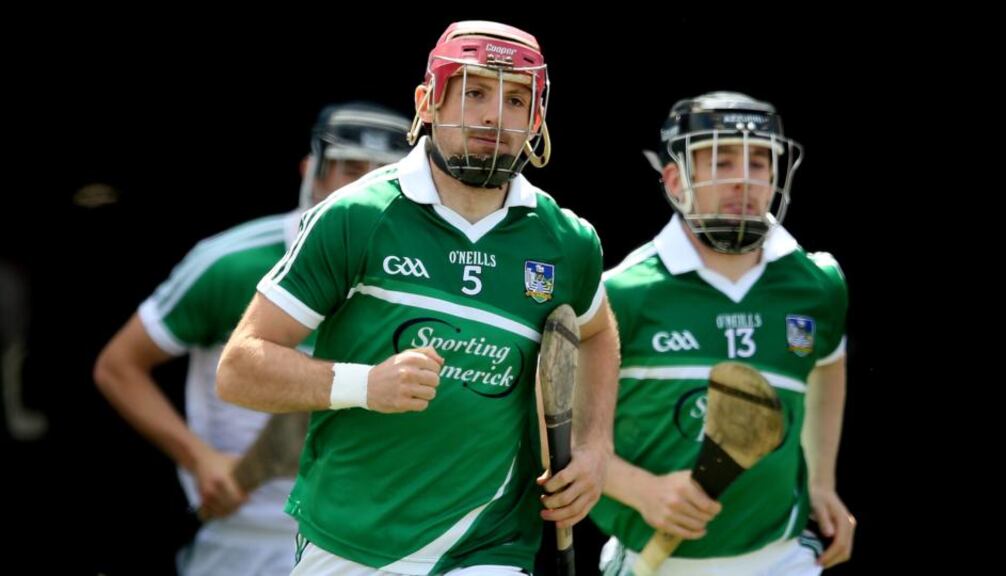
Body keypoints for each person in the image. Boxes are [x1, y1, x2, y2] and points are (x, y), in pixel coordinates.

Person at [216, 20, 620, 576]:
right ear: (427, 103)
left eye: (516, 99)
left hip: (489, 546)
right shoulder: (357, 216)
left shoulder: (567, 241)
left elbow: (596, 334)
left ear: (536, 120)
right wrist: (365, 385)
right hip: (349, 539)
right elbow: (239, 369)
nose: (494, 116)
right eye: (475, 92)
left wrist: (596, 448)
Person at [93, 102, 410, 575]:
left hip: (370, 543)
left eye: (384, 176)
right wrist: (199, 458)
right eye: (350, 170)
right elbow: (118, 367)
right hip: (240, 542)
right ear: (311, 172)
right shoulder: (232, 262)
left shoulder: (425, 289)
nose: (364, 190)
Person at [591, 91, 855, 575]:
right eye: (721, 160)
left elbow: (827, 365)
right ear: (676, 180)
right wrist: (640, 490)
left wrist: (821, 482)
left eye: (759, 162)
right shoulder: (621, 292)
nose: (743, 179)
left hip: (784, 559)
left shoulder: (817, 285)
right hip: (656, 563)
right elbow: (557, 432)